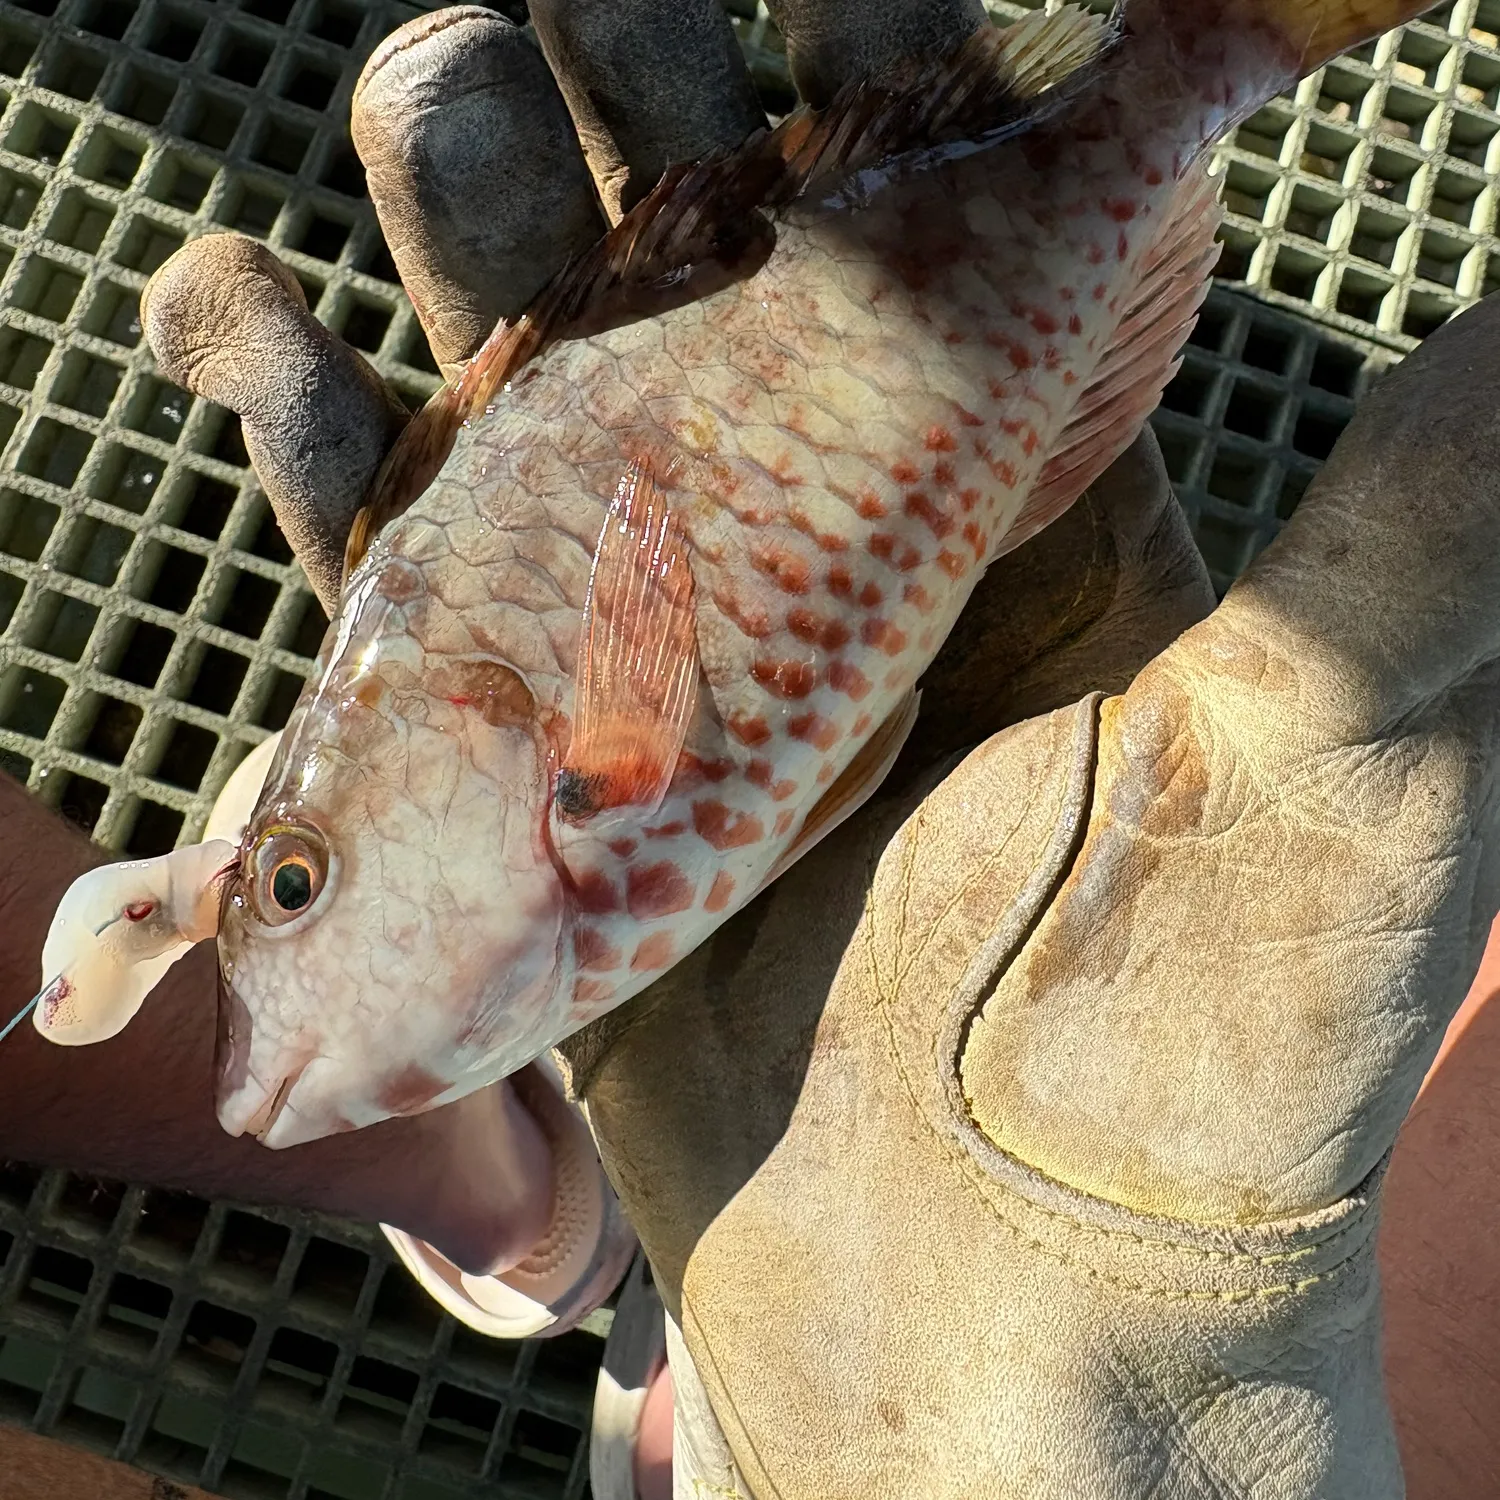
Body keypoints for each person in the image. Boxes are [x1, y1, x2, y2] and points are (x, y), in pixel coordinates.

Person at [3, 0, 1499, 1495]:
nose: (260, 1013)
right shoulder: (569, 822)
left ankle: (608, 1290)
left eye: (296, 882)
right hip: (964, 406)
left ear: (465, 736)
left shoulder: (604, 777)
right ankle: (597, 1251)